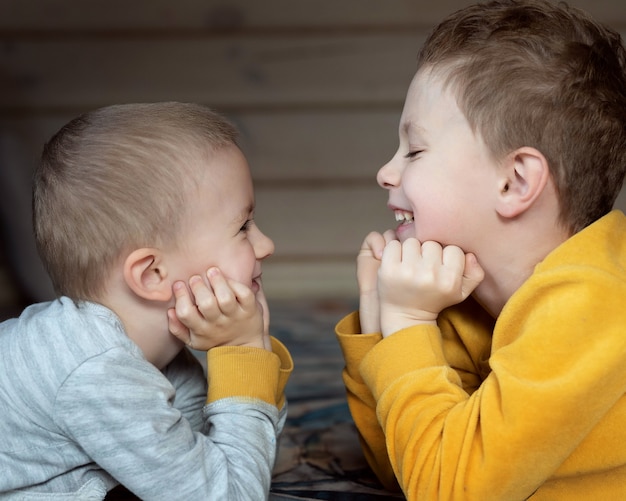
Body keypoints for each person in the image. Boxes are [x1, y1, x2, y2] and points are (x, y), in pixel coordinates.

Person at [335, 0, 626, 499]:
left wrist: (407, 324)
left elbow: (445, 489)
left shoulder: (591, 305)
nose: (386, 172)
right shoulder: (465, 298)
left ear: (514, 182)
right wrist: (380, 319)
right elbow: (406, 466)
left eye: (416, 150)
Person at [0, 102, 293, 500]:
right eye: (243, 227)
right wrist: (242, 350)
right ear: (152, 275)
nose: (266, 245)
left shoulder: (157, 359)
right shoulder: (99, 372)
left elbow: (225, 462)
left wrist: (247, 360)